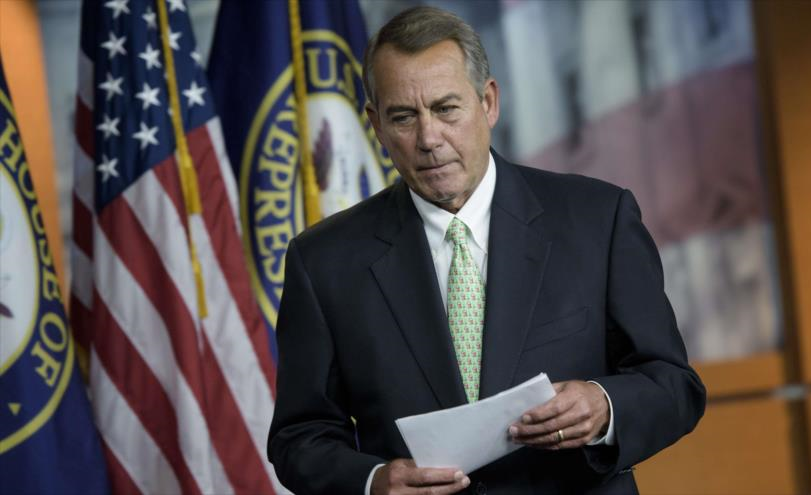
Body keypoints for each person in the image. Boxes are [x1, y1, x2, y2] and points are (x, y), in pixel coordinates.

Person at [268, 6, 705, 495]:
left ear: (489, 102)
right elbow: (298, 437)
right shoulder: (324, 262)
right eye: (403, 117)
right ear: (376, 124)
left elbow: (674, 386)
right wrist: (371, 481)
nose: (429, 138)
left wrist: (605, 405)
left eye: (446, 108)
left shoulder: (597, 219)